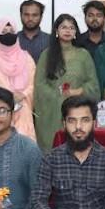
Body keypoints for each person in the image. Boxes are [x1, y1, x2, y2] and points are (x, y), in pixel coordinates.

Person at [34, 14, 100, 152]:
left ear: (76, 32)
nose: (68, 31)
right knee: (54, 150)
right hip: (52, 111)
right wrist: (58, 97)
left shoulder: (84, 55)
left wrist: (78, 91)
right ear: (56, 31)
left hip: (78, 108)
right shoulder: (46, 55)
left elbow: (93, 85)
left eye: (71, 28)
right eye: (64, 27)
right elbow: (40, 85)